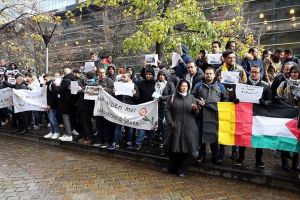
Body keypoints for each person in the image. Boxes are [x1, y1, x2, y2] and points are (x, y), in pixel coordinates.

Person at [234, 65, 272, 169]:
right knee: (243, 135)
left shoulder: (266, 85)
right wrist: (236, 100)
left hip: (259, 115)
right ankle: (241, 158)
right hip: (245, 115)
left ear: (260, 73)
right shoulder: (244, 85)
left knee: (259, 137)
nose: (254, 74)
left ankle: (259, 160)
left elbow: (270, 100)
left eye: (256, 72)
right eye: (252, 72)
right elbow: (236, 98)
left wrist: (264, 102)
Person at [192, 67, 228, 164]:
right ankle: (201, 155)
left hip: (214, 115)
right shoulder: (198, 85)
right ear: (204, 74)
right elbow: (191, 97)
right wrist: (199, 101)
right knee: (201, 136)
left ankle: (215, 156)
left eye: (210, 73)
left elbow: (225, 98)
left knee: (214, 136)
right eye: (207, 73)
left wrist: (219, 106)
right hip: (201, 114)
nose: (208, 75)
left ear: (214, 75)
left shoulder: (220, 86)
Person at [164, 79, 200, 177]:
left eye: (186, 86)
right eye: (182, 86)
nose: (184, 88)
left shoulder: (192, 97)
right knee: (175, 148)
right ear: (178, 86)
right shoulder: (172, 97)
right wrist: (171, 123)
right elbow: (167, 111)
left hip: (190, 128)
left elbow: (196, 114)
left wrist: (195, 109)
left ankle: (183, 170)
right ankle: (173, 168)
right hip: (176, 127)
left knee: (191, 150)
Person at [277, 65, 300, 172]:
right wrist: (287, 107)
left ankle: (295, 163)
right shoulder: (284, 84)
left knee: (297, 140)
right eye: (292, 72)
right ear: (290, 73)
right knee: (285, 138)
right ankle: (284, 162)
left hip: (298, 116)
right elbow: (278, 97)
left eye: (296, 72)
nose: (294, 74)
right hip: (286, 115)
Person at [108, 73, 140, 150]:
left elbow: (137, 98)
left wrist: (135, 94)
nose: (122, 78)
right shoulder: (118, 85)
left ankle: (128, 142)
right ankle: (116, 142)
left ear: (129, 77)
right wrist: (114, 92)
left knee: (129, 127)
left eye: (124, 77)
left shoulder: (134, 85)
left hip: (129, 109)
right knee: (118, 126)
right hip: (120, 109)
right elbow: (114, 97)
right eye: (122, 77)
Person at [153, 69, 175, 148]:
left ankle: (165, 141)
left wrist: (161, 98)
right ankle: (157, 138)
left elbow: (172, 95)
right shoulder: (155, 83)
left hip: (165, 106)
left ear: (165, 76)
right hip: (156, 106)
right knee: (157, 123)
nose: (161, 76)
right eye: (160, 75)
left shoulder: (169, 84)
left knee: (164, 124)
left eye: (163, 75)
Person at [94, 68, 115, 148]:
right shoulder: (96, 82)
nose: (102, 74)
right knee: (99, 124)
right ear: (98, 74)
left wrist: (103, 89)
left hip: (107, 107)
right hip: (98, 106)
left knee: (107, 124)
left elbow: (112, 91)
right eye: (100, 73)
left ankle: (106, 141)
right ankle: (100, 140)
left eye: (103, 72)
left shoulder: (109, 80)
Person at [135, 67, 156, 150]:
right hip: (142, 108)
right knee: (141, 126)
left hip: (152, 108)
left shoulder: (156, 84)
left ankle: (150, 140)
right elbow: (137, 95)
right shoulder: (140, 83)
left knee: (152, 125)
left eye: (150, 74)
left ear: (153, 75)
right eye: (147, 74)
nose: (148, 76)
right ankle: (138, 142)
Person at [43, 74, 60, 139]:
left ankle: (56, 132)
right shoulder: (49, 84)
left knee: (53, 119)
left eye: (45, 79)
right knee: (51, 119)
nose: (45, 80)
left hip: (53, 105)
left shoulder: (52, 84)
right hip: (50, 104)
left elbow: (54, 95)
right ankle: (52, 132)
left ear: (49, 77)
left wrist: (49, 104)